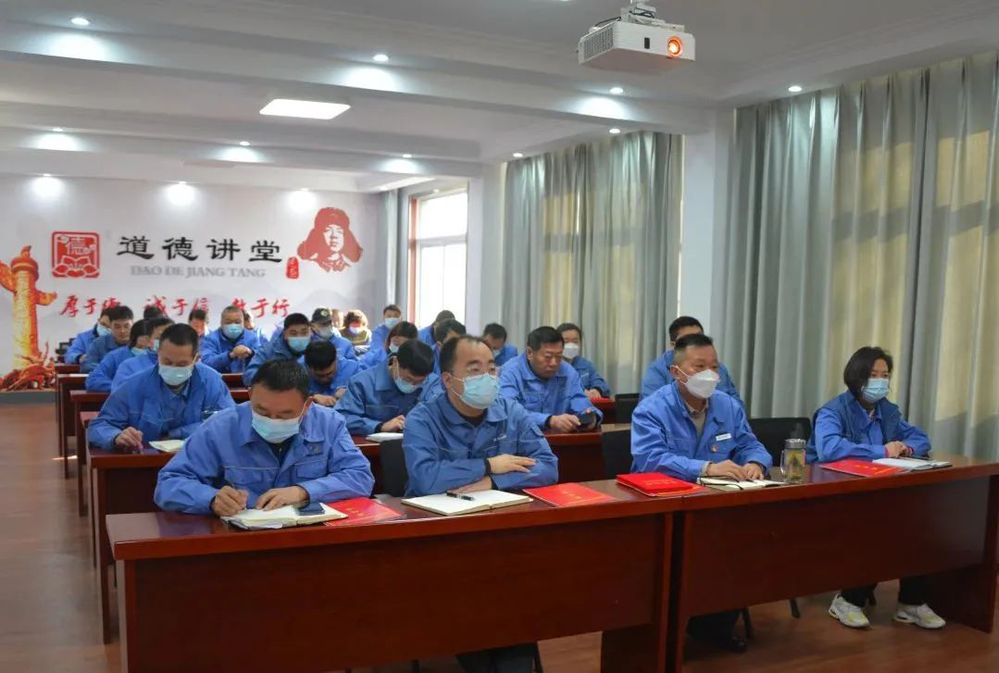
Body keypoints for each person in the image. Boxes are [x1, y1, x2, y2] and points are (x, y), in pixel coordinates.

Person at [403, 335, 556, 673]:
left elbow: (548, 466)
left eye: (491, 368)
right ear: (448, 380)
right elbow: (426, 477)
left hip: (502, 536)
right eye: (474, 370)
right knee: (470, 603)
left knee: (518, 595)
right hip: (442, 541)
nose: (487, 378)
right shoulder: (422, 419)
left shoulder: (511, 411)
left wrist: (494, 480)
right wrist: (488, 464)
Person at [630, 333, 772, 653]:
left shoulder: (727, 405)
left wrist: (755, 463)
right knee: (676, 563)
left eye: (714, 367)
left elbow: (751, 444)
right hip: (664, 509)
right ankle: (667, 635)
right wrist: (706, 468)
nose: (709, 374)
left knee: (743, 547)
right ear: (676, 372)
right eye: (699, 366)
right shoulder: (652, 409)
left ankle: (714, 627)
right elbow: (650, 459)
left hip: (716, 507)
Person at [809, 346, 943, 631]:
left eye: (885, 375)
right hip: (834, 494)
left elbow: (920, 438)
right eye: (874, 375)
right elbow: (829, 448)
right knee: (877, 525)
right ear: (857, 377)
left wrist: (907, 447)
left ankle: (911, 603)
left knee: (921, 523)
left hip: (878, 490)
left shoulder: (887, 410)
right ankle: (848, 600)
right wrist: (881, 450)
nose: (881, 381)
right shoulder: (833, 411)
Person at [153, 359, 374, 515]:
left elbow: (360, 476)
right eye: (262, 411)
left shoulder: (329, 424)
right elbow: (169, 483)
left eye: (285, 414)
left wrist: (303, 492)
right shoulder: (220, 427)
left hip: (310, 537)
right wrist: (211, 499)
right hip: (240, 541)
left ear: (307, 405)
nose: (272, 420)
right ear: (250, 395)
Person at [87, 324, 234, 450]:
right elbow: (100, 425)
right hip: (144, 462)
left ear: (196, 359)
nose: (173, 368)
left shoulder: (212, 382)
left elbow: (230, 421)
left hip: (200, 460)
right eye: (167, 362)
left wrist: (177, 433)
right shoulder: (133, 385)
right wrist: (116, 436)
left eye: (182, 364)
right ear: (158, 354)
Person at [498, 326, 601, 432]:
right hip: (520, 439)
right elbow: (507, 411)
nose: (554, 363)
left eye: (559, 356)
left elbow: (580, 402)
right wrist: (548, 421)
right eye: (548, 357)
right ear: (530, 353)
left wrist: (591, 417)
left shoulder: (568, 371)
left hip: (560, 439)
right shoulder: (511, 372)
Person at [336, 339, 436, 436]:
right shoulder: (362, 383)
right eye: (408, 379)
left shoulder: (432, 383)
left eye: (419, 382)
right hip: (372, 446)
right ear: (395, 362)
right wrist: (379, 426)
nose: (413, 385)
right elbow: (342, 417)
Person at [640, 316, 742, 406]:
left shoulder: (718, 367)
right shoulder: (657, 371)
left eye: (699, 338)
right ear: (673, 345)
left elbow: (736, 406)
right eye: (688, 341)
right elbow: (652, 408)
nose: (696, 344)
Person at [243, 313, 313, 386]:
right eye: (293, 334)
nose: (299, 337)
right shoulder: (268, 351)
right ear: (285, 334)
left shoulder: (317, 350)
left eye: (304, 333)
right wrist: (275, 378)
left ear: (311, 332)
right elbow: (249, 376)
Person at [111, 317, 175, 391]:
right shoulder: (129, 366)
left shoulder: (183, 365)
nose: (167, 342)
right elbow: (119, 394)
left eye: (172, 338)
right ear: (148, 341)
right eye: (160, 338)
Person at [86, 320, 150, 392]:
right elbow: (93, 380)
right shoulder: (115, 356)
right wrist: (122, 387)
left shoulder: (157, 358)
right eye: (156, 338)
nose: (122, 331)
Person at [199, 305, 261, 374]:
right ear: (221, 323)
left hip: (247, 379)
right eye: (228, 322)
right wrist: (230, 355)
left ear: (243, 322)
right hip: (218, 379)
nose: (233, 326)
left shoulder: (252, 337)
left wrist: (250, 353)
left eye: (237, 322)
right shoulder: (210, 339)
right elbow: (206, 363)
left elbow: (262, 359)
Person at [557, 322, 610, 399]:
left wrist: (597, 390)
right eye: (566, 341)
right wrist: (580, 392)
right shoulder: (552, 365)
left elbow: (599, 382)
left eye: (575, 341)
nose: (571, 345)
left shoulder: (586, 365)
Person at [302, 341, 361, 407]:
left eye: (329, 374)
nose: (324, 379)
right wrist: (311, 397)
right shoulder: (299, 371)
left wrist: (351, 394)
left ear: (336, 359)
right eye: (319, 376)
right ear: (307, 367)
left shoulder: (353, 370)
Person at [80, 305, 134, 373]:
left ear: (133, 325)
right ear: (110, 326)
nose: (122, 331)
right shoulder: (98, 344)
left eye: (126, 326)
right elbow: (87, 366)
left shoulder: (140, 343)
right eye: (117, 327)